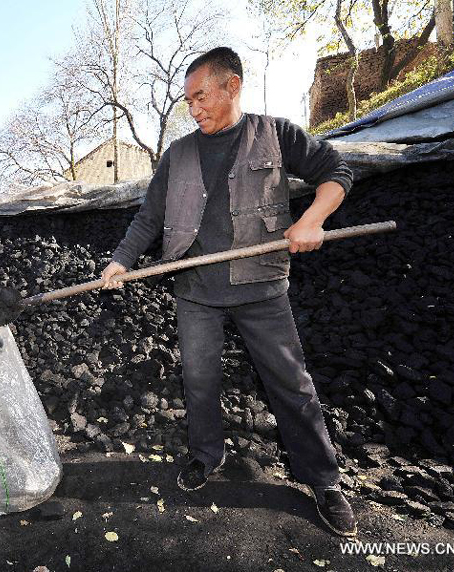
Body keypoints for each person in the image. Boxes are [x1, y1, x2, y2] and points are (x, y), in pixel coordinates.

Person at [101, 47, 358, 537]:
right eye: (188, 102)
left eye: (201, 98)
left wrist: (311, 220)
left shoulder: (276, 134)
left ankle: (324, 481)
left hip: (261, 286)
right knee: (199, 382)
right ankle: (206, 455)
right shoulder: (179, 154)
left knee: (291, 384)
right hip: (196, 289)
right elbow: (149, 216)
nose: (194, 109)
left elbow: (337, 174)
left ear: (232, 86)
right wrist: (121, 261)